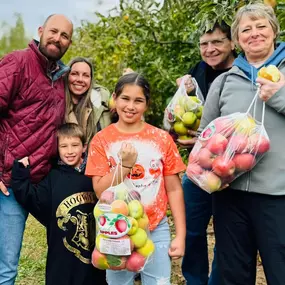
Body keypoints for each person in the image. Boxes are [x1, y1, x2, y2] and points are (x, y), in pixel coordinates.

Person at [198, 3, 285, 284]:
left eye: (261, 26)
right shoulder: (224, 81)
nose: (254, 33)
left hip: (278, 196)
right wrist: (212, 170)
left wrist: (277, 96)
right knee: (233, 276)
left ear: (274, 31)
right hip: (230, 197)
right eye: (246, 29)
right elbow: (205, 137)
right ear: (237, 40)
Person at [85, 72, 186, 285]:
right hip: (115, 229)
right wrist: (125, 166)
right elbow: (100, 191)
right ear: (114, 99)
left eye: (138, 100)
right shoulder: (101, 141)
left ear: (147, 104)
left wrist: (181, 235)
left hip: (156, 229)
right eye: (125, 98)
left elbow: (174, 189)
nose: (131, 106)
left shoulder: (161, 139)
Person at [0, 14, 73, 284]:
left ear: (69, 43)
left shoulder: (60, 77)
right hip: (9, 180)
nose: (58, 38)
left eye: (65, 36)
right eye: (54, 31)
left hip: (43, 182)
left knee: (70, 246)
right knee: (6, 266)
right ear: (41, 31)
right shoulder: (18, 62)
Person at [176, 21, 236, 285]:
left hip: (233, 170)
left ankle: (217, 281)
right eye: (204, 44)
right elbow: (189, 115)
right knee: (190, 230)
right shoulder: (197, 71)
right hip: (199, 168)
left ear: (232, 43)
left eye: (217, 42)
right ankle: (195, 280)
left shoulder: (242, 73)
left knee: (227, 234)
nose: (210, 49)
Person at [10, 123, 107, 285]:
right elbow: (32, 199)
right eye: (64, 146)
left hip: (95, 255)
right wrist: (20, 173)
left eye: (75, 145)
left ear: (84, 147)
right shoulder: (53, 178)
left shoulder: (95, 175)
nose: (69, 151)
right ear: (57, 149)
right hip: (62, 259)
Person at [65, 57, 111, 144]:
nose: (80, 79)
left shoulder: (102, 99)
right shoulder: (57, 102)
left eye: (86, 75)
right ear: (67, 76)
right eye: (74, 74)